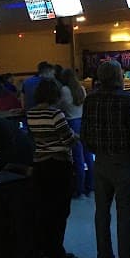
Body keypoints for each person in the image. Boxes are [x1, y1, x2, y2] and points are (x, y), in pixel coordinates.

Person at [81, 60, 130, 258]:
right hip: (124, 163)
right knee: (126, 216)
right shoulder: (128, 99)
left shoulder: (90, 99)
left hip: (100, 163)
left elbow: (85, 133)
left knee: (102, 214)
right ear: (119, 76)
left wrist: (97, 152)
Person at [26, 79, 76, 258]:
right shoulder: (56, 114)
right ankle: (57, 254)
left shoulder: (31, 114)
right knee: (60, 211)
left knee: (45, 210)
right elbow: (68, 139)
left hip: (40, 166)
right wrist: (76, 137)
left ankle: (46, 251)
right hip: (59, 166)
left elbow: (37, 139)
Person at [59, 68, 94, 198]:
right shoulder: (81, 89)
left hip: (72, 124)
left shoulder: (64, 90)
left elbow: (60, 107)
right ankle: (90, 188)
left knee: (78, 158)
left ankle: (79, 190)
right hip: (83, 122)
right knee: (88, 157)